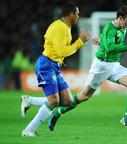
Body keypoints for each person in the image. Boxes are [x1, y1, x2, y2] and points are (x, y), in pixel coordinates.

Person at [48, 5, 127, 133]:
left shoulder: (122, 27)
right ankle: (58, 112)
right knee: (85, 96)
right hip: (101, 66)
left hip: (114, 65)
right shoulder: (110, 28)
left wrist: (102, 42)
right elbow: (110, 48)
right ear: (120, 18)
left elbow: (108, 44)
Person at [22, 2, 90, 137]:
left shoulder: (64, 27)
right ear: (71, 14)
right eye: (77, 13)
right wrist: (80, 42)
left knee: (68, 101)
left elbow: (59, 51)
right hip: (46, 65)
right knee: (54, 101)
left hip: (54, 66)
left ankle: (30, 100)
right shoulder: (60, 27)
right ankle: (28, 130)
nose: (78, 16)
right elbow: (61, 52)